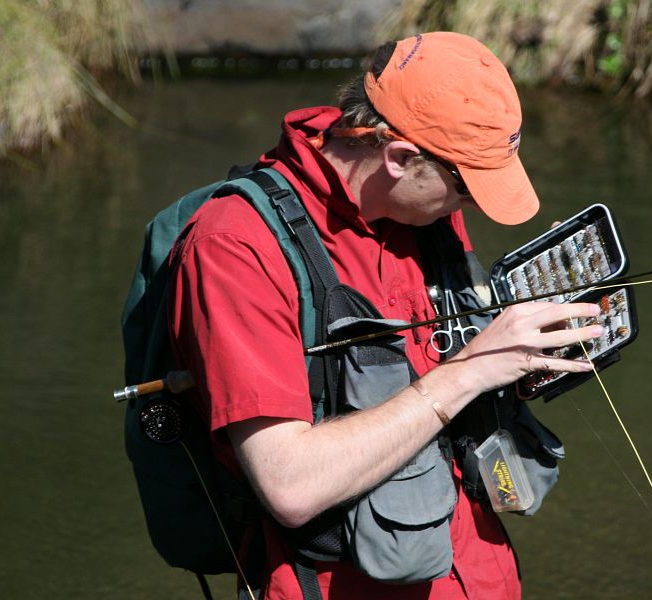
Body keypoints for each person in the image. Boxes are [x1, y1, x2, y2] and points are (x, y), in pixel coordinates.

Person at [168, 31, 603, 599]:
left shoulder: (426, 211)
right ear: (399, 157)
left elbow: (451, 375)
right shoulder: (233, 246)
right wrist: (473, 367)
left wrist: (524, 351)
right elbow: (289, 484)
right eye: (467, 189)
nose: (469, 206)